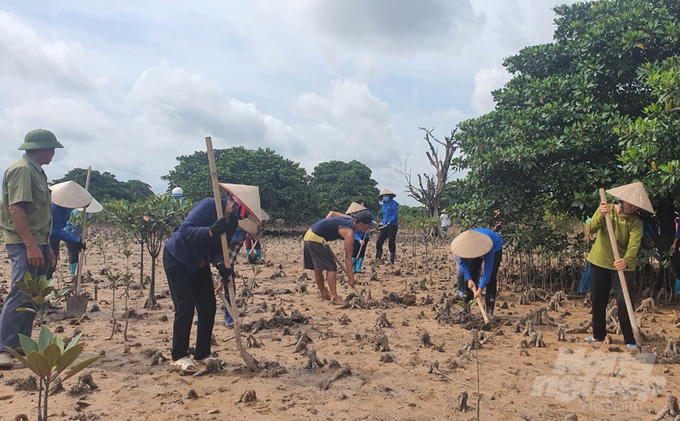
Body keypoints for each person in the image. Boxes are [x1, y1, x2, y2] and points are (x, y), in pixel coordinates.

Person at [0, 129, 62, 370]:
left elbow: (39, 214)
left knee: (34, 294)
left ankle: (20, 344)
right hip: (23, 242)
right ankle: (4, 347)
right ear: (42, 149)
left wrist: (45, 246)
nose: (54, 153)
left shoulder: (37, 172)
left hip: (38, 242)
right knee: (21, 292)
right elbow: (17, 209)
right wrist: (30, 245)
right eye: (52, 149)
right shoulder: (22, 170)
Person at [163, 195, 241, 373]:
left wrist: (221, 266)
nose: (237, 210)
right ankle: (179, 355)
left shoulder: (232, 224)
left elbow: (218, 249)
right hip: (178, 257)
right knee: (185, 306)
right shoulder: (208, 205)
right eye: (236, 205)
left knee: (208, 306)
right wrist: (211, 230)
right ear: (231, 199)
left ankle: (202, 353)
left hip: (200, 263)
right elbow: (185, 231)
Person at [583, 182, 652, 349]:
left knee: (624, 301)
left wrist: (626, 260)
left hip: (623, 266)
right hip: (600, 260)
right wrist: (600, 214)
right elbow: (590, 228)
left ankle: (629, 338)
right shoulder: (607, 209)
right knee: (598, 298)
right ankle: (598, 334)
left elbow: (634, 245)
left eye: (637, 205)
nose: (634, 207)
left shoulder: (635, 222)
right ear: (622, 200)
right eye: (631, 203)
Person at [303, 210, 373, 304]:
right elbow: (348, 257)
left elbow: (332, 213)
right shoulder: (349, 233)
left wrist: (324, 227)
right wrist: (350, 277)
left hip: (309, 234)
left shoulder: (350, 219)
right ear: (361, 224)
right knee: (331, 267)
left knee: (318, 267)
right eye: (368, 225)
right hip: (316, 238)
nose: (369, 227)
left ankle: (324, 293)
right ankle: (334, 297)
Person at [450, 228, 503, 317]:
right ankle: (466, 309)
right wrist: (469, 279)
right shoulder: (464, 247)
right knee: (471, 275)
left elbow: (487, 272)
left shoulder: (489, 248)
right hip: (474, 245)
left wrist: (480, 289)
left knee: (491, 279)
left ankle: (489, 312)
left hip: (495, 247)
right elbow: (463, 264)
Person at [47, 204, 85, 279]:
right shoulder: (55, 208)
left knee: (52, 266)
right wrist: (75, 241)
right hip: (49, 240)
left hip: (58, 238)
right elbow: (55, 231)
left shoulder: (68, 209)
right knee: (48, 266)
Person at [346, 200, 371, 273]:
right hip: (356, 237)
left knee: (362, 252)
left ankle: (358, 268)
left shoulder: (367, 214)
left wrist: (369, 227)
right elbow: (352, 230)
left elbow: (372, 222)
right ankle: (352, 268)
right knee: (354, 251)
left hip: (365, 235)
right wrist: (359, 239)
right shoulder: (352, 218)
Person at [375, 189, 399, 264]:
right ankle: (378, 257)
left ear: (389, 196)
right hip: (384, 225)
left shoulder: (394, 203)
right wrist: (382, 222)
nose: (385, 197)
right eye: (384, 196)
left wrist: (389, 222)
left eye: (386, 196)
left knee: (391, 241)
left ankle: (392, 259)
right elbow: (384, 215)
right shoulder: (383, 204)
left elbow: (395, 214)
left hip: (392, 225)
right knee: (379, 241)